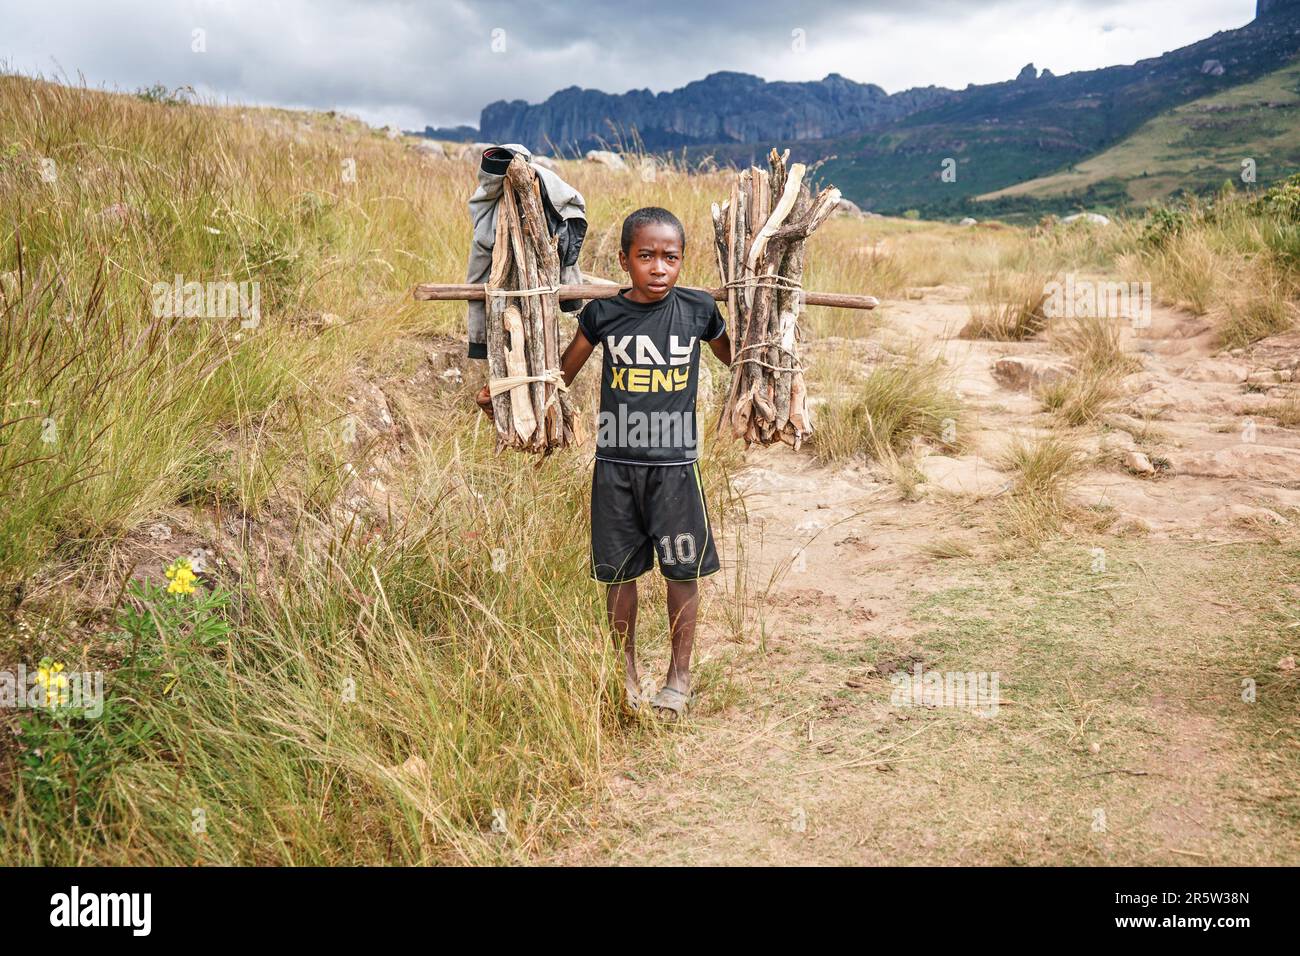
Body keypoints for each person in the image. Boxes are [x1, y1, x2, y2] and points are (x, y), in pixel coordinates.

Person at [476, 206, 732, 720]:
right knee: (620, 573)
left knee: (683, 571)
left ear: (683, 261)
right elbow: (561, 376)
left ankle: (679, 679)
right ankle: (627, 673)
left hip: (676, 466)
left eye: (670, 257)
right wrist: (510, 395)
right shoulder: (603, 315)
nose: (659, 268)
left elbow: (739, 361)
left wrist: (763, 326)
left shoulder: (699, 311)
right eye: (646, 257)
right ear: (624, 260)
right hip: (615, 465)